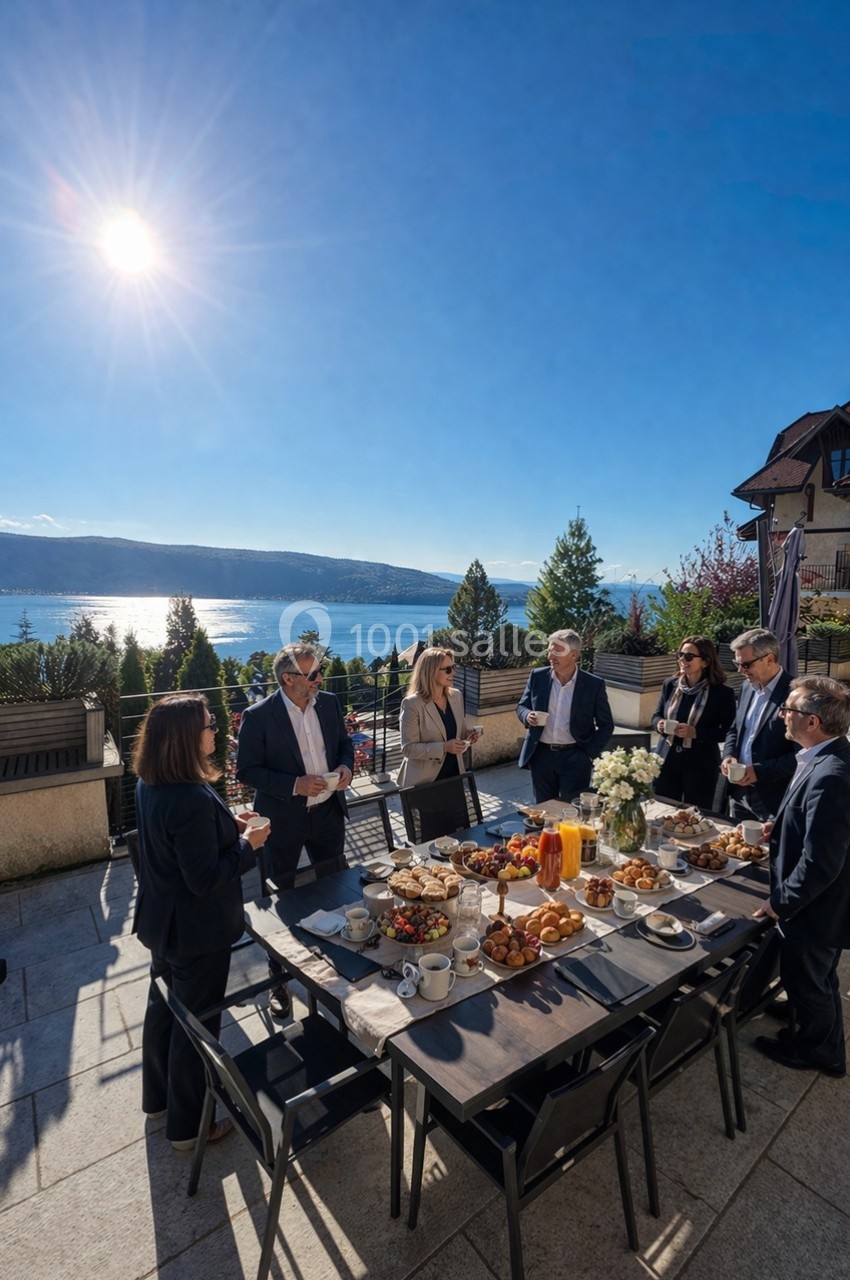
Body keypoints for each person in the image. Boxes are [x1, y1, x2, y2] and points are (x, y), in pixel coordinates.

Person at [133, 694, 270, 1150]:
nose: (217, 730)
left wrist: (230, 824)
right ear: (188, 737)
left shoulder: (151, 782)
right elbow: (206, 878)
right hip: (197, 931)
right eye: (210, 725)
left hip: (161, 922)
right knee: (196, 1027)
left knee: (163, 1010)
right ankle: (189, 1128)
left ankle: (158, 1100)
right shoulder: (189, 797)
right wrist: (249, 845)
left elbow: (179, 844)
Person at [236, 643, 354, 1019]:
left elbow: (345, 745)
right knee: (281, 900)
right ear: (289, 679)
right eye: (313, 673)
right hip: (283, 822)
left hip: (328, 814)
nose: (321, 678)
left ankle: (341, 966)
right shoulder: (259, 716)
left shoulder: (329, 703)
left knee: (336, 890)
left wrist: (346, 768)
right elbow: (247, 770)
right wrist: (294, 785)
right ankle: (279, 979)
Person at [753, 675, 850, 1078]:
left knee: (810, 977)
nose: (781, 715)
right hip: (822, 904)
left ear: (812, 721)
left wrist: (780, 903)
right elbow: (819, 826)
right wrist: (781, 825)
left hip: (817, 908)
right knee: (817, 976)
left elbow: (820, 863)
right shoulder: (824, 756)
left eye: (788, 709)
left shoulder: (832, 775)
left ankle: (821, 1052)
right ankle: (805, 1013)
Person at [516, 629, 614, 802]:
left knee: (572, 810)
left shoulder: (593, 685)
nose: (550, 656)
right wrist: (527, 715)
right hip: (542, 756)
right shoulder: (537, 676)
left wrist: (588, 754)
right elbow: (521, 706)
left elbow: (606, 725)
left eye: (556, 652)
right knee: (544, 810)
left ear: (574, 654)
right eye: (549, 651)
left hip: (575, 758)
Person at [720, 627, 798, 822]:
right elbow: (735, 729)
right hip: (739, 794)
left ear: (769, 659)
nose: (740, 670)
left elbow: (802, 754)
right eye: (737, 664)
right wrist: (729, 755)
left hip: (773, 797)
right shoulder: (747, 687)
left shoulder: (796, 695)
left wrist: (759, 771)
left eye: (745, 664)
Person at [651, 635, 736, 809]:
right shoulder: (670, 685)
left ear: (705, 662)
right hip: (667, 761)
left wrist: (696, 733)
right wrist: (660, 725)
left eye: (689, 656)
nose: (682, 660)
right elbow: (656, 716)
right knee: (661, 811)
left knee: (695, 816)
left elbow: (729, 731)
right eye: (680, 655)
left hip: (701, 766)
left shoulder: (722, 693)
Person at [396, 647, 480, 788]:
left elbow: (458, 732)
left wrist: (468, 736)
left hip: (455, 775)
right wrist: (444, 747)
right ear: (431, 672)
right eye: (448, 669)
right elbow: (408, 748)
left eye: (453, 667)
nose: (453, 672)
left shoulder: (456, 696)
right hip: (423, 782)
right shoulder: (412, 704)